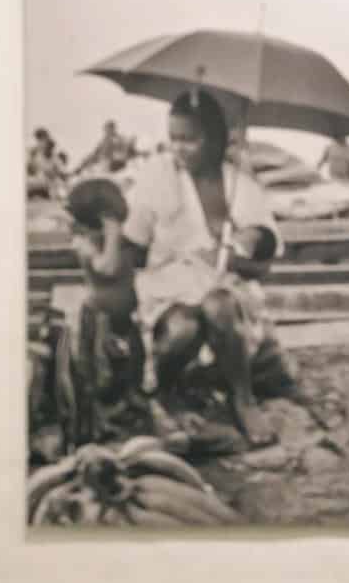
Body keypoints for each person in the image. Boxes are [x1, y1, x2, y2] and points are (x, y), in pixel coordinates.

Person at [120, 89, 297, 449]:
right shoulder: (156, 179)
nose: (179, 148)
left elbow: (263, 248)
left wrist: (238, 250)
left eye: (190, 139)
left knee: (217, 305)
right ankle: (170, 394)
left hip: (224, 288)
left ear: (216, 139)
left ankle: (242, 399)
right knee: (183, 328)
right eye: (174, 138)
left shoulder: (237, 184)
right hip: (170, 287)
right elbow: (133, 249)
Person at [64, 179, 147, 442]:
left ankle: (127, 413)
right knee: (99, 375)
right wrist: (111, 234)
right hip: (100, 321)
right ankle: (97, 426)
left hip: (126, 319)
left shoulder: (124, 241)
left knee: (130, 369)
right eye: (110, 217)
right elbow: (107, 268)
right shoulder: (84, 240)